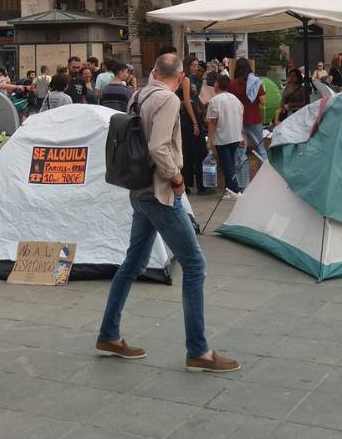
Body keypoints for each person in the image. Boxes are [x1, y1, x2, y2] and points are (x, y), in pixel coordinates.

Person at [95, 53, 239, 372]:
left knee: (132, 263)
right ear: (182, 76)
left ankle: (108, 334)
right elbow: (159, 146)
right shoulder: (168, 100)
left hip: (139, 188)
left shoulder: (140, 94)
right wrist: (175, 178)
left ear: (156, 71)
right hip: (159, 192)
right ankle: (198, 351)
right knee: (194, 265)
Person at [207, 72, 245, 198]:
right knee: (230, 163)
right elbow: (240, 118)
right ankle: (230, 189)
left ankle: (235, 189)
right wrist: (240, 135)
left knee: (226, 165)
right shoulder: (236, 100)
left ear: (217, 84)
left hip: (222, 137)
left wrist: (209, 139)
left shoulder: (214, 101)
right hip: (234, 135)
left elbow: (213, 122)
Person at [228, 57, 267, 162]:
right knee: (260, 149)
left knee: (241, 151)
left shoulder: (231, 84)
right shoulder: (256, 83)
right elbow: (263, 102)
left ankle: (243, 178)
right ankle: (265, 175)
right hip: (254, 119)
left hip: (238, 121)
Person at [179, 57, 209, 195]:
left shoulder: (192, 79)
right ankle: (198, 185)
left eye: (197, 66)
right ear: (187, 66)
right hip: (189, 117)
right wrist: (195, 122)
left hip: (190, 115)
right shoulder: (186, 79)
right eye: (193, 65)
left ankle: (189, 183)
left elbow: (194, 100)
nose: (196, 68)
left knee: (189, 151)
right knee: (197, 150)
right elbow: (187, 101)